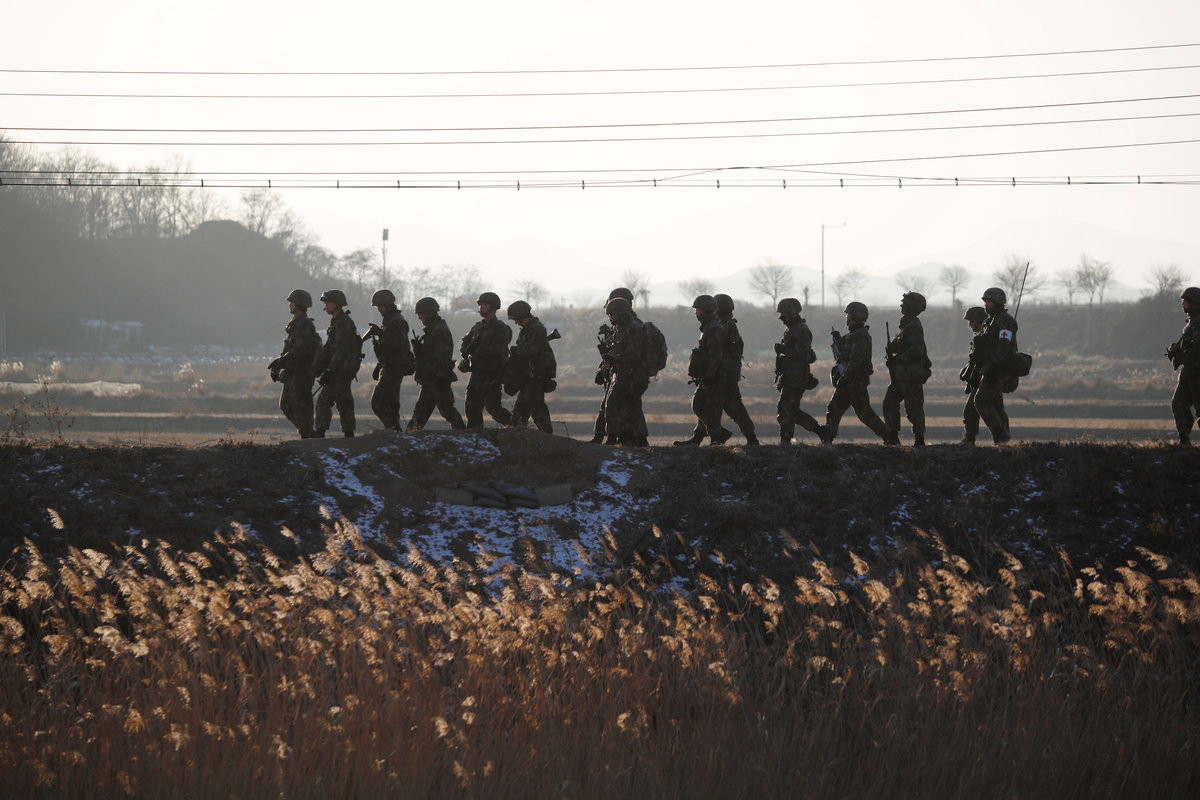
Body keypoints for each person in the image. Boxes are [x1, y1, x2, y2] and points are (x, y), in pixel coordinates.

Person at [822, 301, 889, 443]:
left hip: (854, 382)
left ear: (854, 317)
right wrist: (839, 340)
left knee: (863, 414)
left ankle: (890, 438)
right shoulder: (855, 334)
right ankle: (827, 440)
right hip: (852, 381)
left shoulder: (860, 336)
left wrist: (845, 377)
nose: (846, 317)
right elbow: (847, 354)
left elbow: (856, 360)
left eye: (848, 315)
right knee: (837, 409)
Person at [593, 288, 649, 445]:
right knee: (617, 405)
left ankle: (619, 438)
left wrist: (614, 359)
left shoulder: (634, 327)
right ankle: (626, 439)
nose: (611, 317)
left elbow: (633, 353)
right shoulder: (620, 326)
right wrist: (604, 367)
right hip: (619, 372)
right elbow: (615, 350)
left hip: (630, 374)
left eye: (613, 314)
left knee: (619, 405)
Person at [675, 294, 732, 446]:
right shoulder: (709, 328)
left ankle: (717, 436)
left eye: (698, 310)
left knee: (704, 406)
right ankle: (706, 437)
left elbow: (715, 356)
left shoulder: (714, 329)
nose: (696, 313)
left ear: (706, 310)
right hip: (709, 375)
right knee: (703, 406)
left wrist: (709, 376)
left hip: (715, 377)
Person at [407, 297, 466, 432]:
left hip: (437, 380)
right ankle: (410, 435)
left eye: (421, 314)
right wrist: (420, 351)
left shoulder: (439, 330)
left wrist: (440, 377)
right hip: (431, 379)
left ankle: (463, 435)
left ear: (430, 313)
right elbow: (431, 355)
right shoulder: (433, 329)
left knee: (446, 410)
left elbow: (442, 357)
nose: (419, 317)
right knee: (422, 412)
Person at [268, 288, 321, 439]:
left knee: (301, 406)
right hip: (293, 373)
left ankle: (307, 435)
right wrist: (280, 366)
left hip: (302, 374)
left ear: (298, 304)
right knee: (286, 405)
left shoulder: (304, 325)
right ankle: (307, 433)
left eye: (292, 302)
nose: (289, 305)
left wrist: (280, 363)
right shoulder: (296, 325)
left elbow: (299, 351)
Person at [772, 297, 825, 445]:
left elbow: (805, 355)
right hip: (789, 376)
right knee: (791, 410)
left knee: (784, 409)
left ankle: (785, 440)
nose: (781, 318)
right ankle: (821, 431)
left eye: (784, 315)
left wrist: (785, 350)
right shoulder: (790, 330)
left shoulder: (802, 330)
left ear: (793, 314)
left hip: (796, 377)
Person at [882, 292, 932, 446]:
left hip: (911, 375)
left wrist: (897, 359)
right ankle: (893, 436)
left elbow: (917, 351)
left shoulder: (913, 326)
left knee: (913, 408)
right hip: (902, 375)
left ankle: (919, 440)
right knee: (890, 403)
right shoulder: (907, 325)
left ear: (911, 307)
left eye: (904, 304)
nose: (901, 306)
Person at [459, 291, 513, 429]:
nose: (481, 307)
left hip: (492, 375)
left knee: (494, 409)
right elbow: (465, 344)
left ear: (493, 307)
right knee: (471, 408)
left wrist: (478, 351)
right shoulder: (477, 327)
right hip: (476, 374)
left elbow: (498, 348)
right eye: (480, 305)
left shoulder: (500, 328)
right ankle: (475, 435)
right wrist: (467, 353)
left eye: (485, 304)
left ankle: (516, 426)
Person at [311, 289, 360, 438]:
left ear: (337, 304)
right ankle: (349, 434)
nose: (325, 305)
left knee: (323, 401)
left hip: (340, 370)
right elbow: (330, 348)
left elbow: (341, 350)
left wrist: (329, 370)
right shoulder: (338, 321)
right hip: (342, 370)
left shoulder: (342, 323)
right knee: (344, 402)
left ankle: (320, 433)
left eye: (328, 302)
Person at [973, 287, 1019, 444]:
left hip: (999, 369)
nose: (986, 305)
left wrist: (995, 367)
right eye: (985, 302)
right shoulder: (991, 321)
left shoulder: (1005, 321)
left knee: (981, 400)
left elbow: (1003, 346)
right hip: (990, 367)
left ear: (998, 302)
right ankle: (1002, 442)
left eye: (989, 302)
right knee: (996, 404)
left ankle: (1000, 433)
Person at [366, 289, 414, 431]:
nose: (378, 309)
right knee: (391, 403)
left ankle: (393, 429)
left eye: (380, 306)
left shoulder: (397, 322)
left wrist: (380, 334)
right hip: (389, 365)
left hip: (394, 366)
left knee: (378, 402)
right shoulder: (390, 320)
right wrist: (379, 365)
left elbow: (396, 346)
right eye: (377, 307)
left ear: (388, 305)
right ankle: (393, 432)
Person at [505, 300, 556, 433]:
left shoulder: (537, 329)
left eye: (516, 319)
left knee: (528, 407)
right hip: (529, 376)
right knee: (533, 406)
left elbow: (531, 351)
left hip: (536, 375)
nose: (516, 322)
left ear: (522, 316)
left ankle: (541, 434)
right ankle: (540, 433)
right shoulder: (527, 330)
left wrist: (516, 350)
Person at [1166, 286, 1200, 445]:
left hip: (1197, 374)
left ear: (1194, 303)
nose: (1183, 303)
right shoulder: (1192, 323)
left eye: (1186, 301)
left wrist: (1180, 357)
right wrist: (1176, 351)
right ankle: (1184, 442)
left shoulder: (1198, 323)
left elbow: (1197, 351)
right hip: (1189, 374)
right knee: (1178, 404)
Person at [958, 306, 991, 446]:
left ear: (978, 321)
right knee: (972, 409)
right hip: (979, 378)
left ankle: (971, 438)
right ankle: (970, 438)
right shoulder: (979, 337)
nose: (969, 325)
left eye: (971, 321)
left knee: (973, 409)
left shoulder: (986, 338)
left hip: (987, 378)